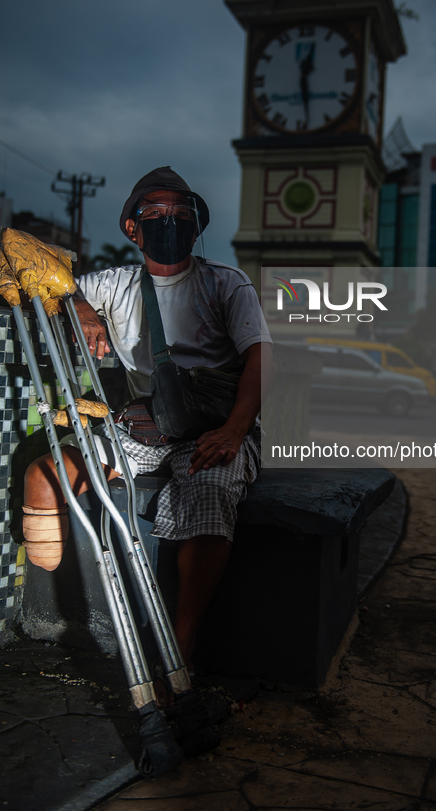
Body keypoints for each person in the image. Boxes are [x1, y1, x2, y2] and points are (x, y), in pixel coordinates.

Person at [23, 166, 274, 674]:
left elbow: (261, 360)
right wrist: (79, 303)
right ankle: (48, 611)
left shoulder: (225, 283)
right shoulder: (113, 284)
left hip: (212, 427)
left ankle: (179, 648)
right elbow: (48, 278)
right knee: (45, 474)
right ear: (132, 228)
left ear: (196, 225)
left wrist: (233, 432)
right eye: (155, 212)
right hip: (147, 425)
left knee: (208, 494)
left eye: (181, 213)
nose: (169, 220)